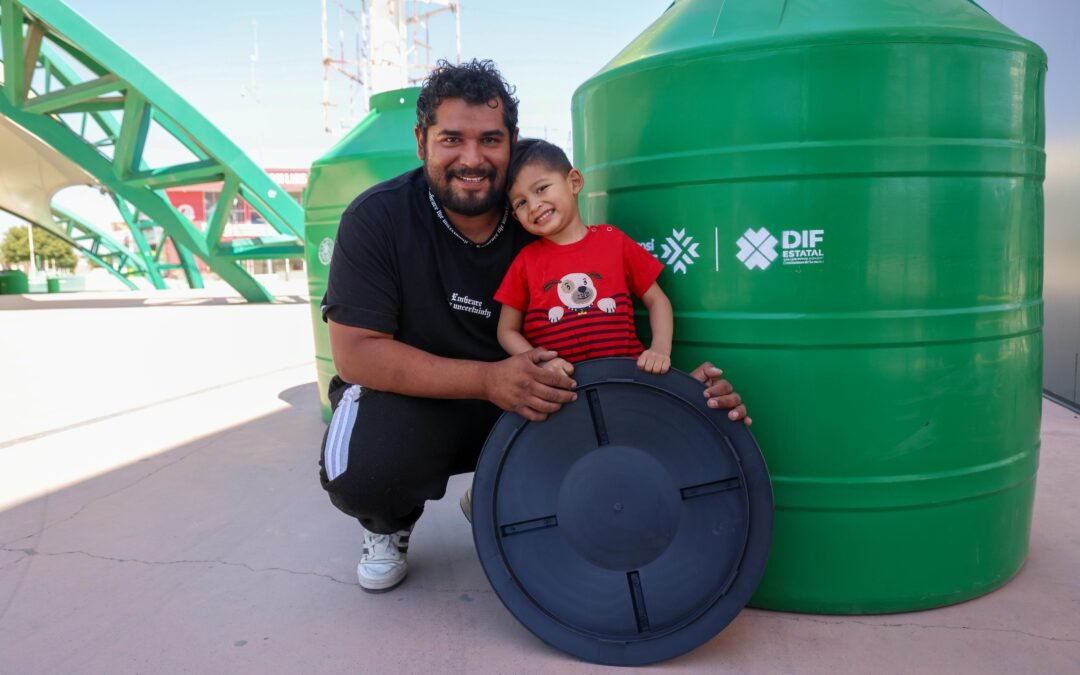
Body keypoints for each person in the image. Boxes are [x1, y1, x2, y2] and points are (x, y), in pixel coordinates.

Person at [320, 59, 750, 593]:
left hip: (537, 395)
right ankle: (387, 525)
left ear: (513, 142)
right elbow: (357, 354)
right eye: (452, 138)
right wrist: (486, 379)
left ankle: (501, 490)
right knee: (362, 473)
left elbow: (612, 329)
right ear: (421, 141)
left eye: (490, 140)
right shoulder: (377, 218)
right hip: (422, 397)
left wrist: (684, 393)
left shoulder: (544, 218)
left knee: (608, 435)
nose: (472, 159)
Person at [495, 139, 673, 376]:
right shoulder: (526, 261)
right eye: (521, 202)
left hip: (625, 379)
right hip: (562, 391)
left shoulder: (613, 240)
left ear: (574, 182)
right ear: (516, 216)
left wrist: (660, 349)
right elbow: (506, 330)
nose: (534, 205)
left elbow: (657, 301)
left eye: (541, 189)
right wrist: (540, 363)